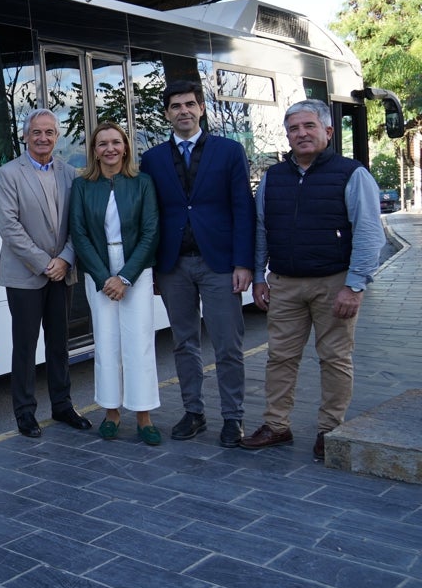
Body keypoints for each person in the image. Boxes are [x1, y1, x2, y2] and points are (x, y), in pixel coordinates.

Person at [241, 99, 384, 461]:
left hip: (334, 283)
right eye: (294, 128)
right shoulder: (273, 177)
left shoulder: (352, 174)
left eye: (309, 126)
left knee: (335, 359)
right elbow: (261, 230)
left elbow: (369, 233)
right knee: (280, 358)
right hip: (285, 284)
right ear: (287, 135)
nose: (301, 134)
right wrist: (259, 277)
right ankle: (277, 426)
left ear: (328, 132)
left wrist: (355, 285)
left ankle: (330, 429)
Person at [139, 80, 255, 448]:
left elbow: (243, 210)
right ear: (167, 113)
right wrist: (155, 268)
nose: (183, 111)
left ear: (201, 108)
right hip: (174, 266)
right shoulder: (152, 159)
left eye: (190, 104)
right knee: (183, 343)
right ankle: (194, 412)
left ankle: (233, 418)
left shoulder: (229, 151)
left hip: (220, 264)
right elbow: (151, 215)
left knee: (228, 345)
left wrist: (244, 263)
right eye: (175, 106)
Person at [0, 108, 92, 438]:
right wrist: (45, 263)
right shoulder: (8, 174)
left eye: (49, 132)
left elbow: (78, 225)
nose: (43, 138)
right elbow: (9, 227)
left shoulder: (70, 174)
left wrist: (64, 259)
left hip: (62, 272)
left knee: (59, 343)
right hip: (25, 275)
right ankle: (24, 412)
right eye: (36, 132)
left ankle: (63, 406)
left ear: (57, 136)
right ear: (25, 135)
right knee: (25, 345)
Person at [70, 122, 162, 445]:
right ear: (94, 151)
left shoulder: (143, 183)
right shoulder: (82, 186)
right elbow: (78, 234)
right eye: (101, 144)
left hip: (135, 271)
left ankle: (144, 415)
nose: (109, 149)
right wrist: (103, 277)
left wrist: (125, 277)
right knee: (106, 344)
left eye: (115, 142)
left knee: (139, 344)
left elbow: (151, 232)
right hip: (99, 274)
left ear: (125, 147)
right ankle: (110, 412)